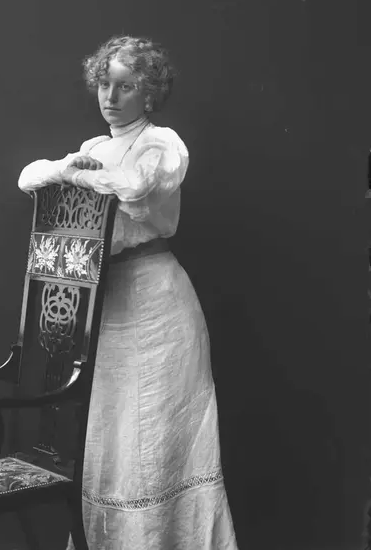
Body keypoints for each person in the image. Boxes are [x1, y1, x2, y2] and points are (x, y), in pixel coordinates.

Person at [18, 35, 238, 550]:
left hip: (158, 306)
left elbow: (137, 187)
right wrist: (71, 169)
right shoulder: (94, 149)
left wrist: (80, 180)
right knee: (112, 440)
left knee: (155, 437)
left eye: (126, 86)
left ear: (150, 93)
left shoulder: (164, 143)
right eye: (104, 84)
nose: (111, 97)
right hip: (106, 305)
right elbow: (29, 177)